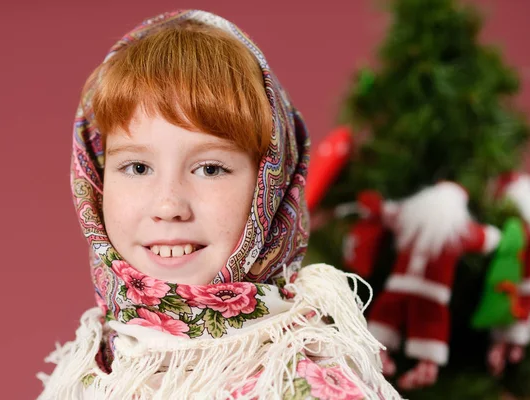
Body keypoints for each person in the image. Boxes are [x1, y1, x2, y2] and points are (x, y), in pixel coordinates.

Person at [37, 10, 401, 399]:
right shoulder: (87, 368)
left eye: (210, 169)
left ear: (271, 186)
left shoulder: (302, 380)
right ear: (95, 181)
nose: (169, 205)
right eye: (138, 166)